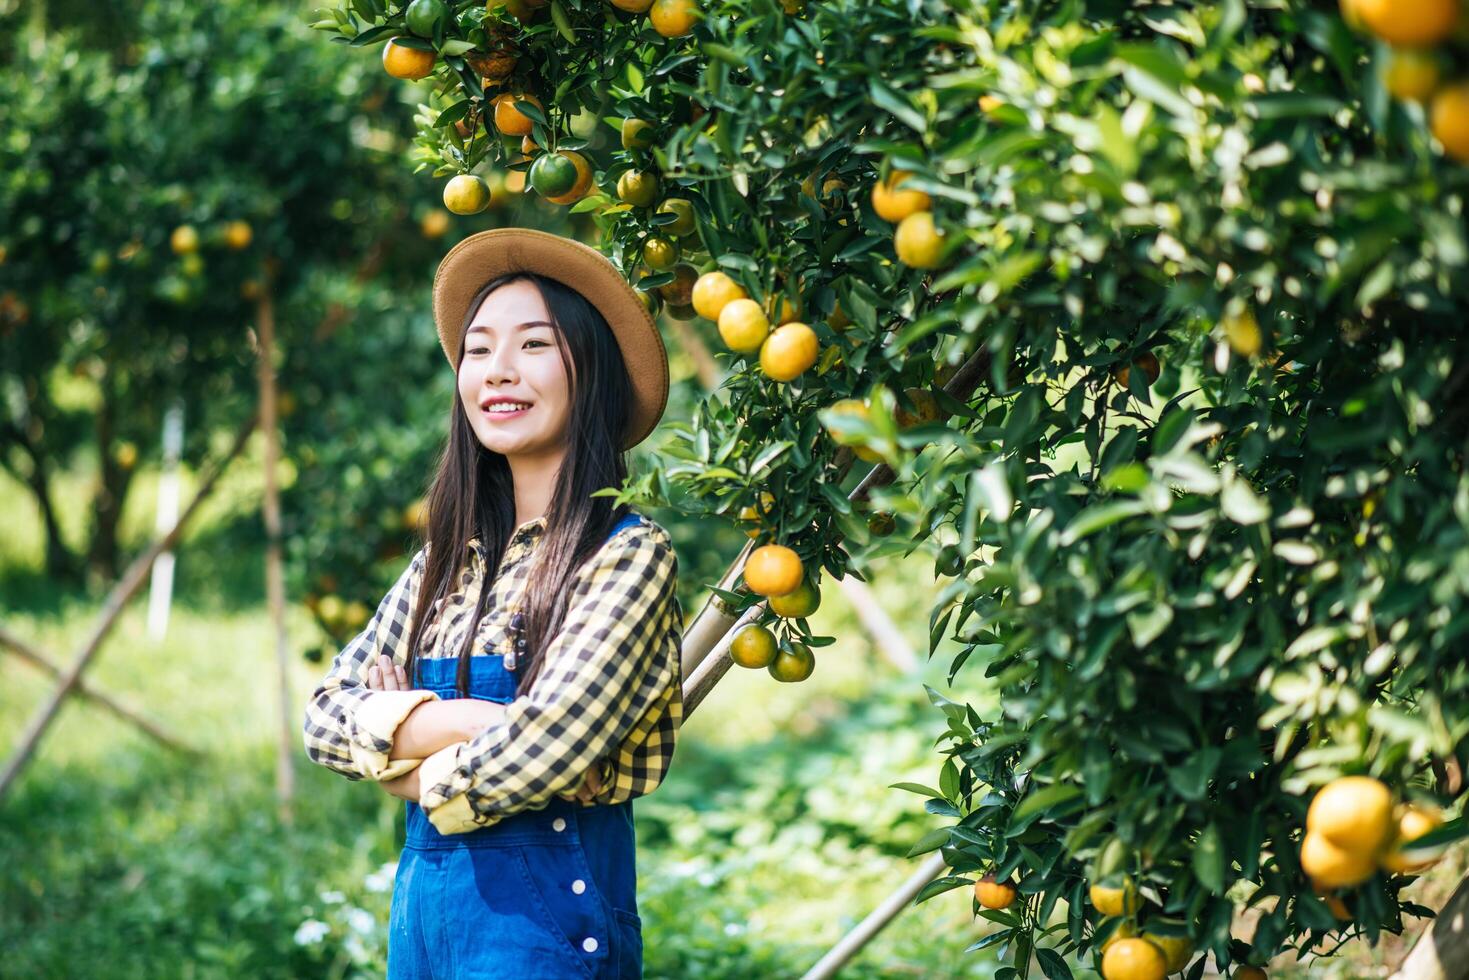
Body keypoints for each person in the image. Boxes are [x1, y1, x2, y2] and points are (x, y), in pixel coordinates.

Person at [302, 227, 683, 979]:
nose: (497, 372)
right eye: (478, 350)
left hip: (546, 943)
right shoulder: (442, 563)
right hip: (421, 938)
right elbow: (322, 716)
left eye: (534, 346)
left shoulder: (626, 554)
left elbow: (549, 751)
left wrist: (400, 755)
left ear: (592, 373)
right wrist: (487, 727)